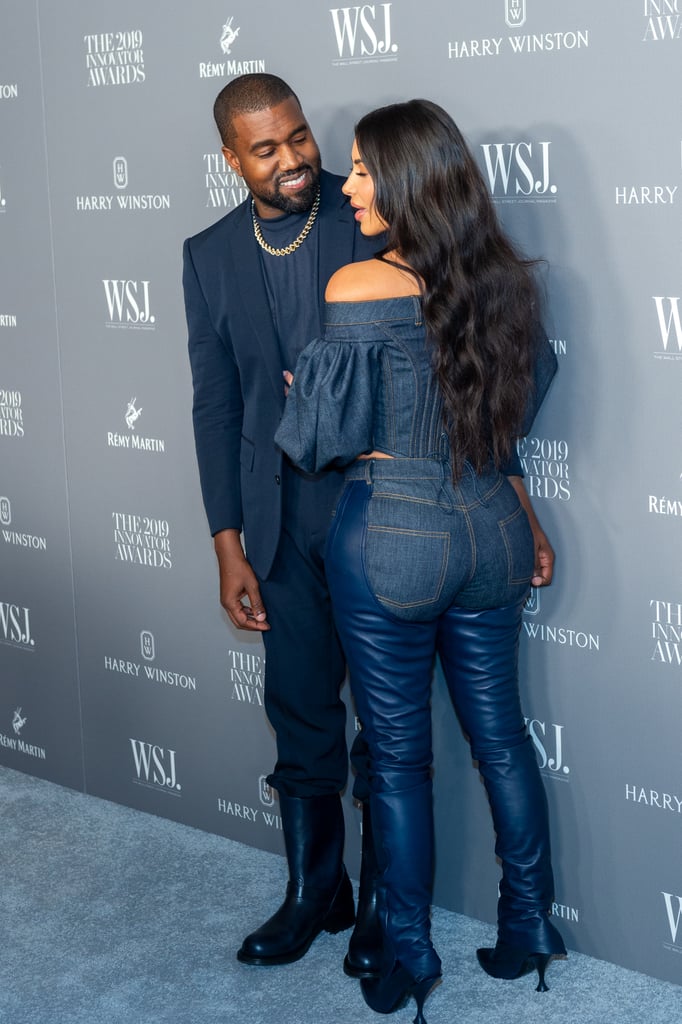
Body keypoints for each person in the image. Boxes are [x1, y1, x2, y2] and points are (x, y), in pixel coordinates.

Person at [275, 99, 566, 1023]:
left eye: (363, 170)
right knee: (505, 742)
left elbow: (318, 441)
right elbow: (515, 410)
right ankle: (530, 931)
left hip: (394, 532)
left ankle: (407, 959)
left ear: (405, 180)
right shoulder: (510, 283)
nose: (349, 187)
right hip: (492, 529)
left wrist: (309, 389)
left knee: (397, 762)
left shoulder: (360, 287)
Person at [182, 73, 383, 976]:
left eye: (298, 137)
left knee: (388, 717)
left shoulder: (373, 213)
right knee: (301, 711)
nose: (294, 159)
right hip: (279, 516)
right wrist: (228, 544)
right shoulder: (208, 254)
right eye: (266, 149)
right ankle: (317, 892)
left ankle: (387, 899)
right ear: (232, 158)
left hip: (377, 505)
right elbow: (216, 407)